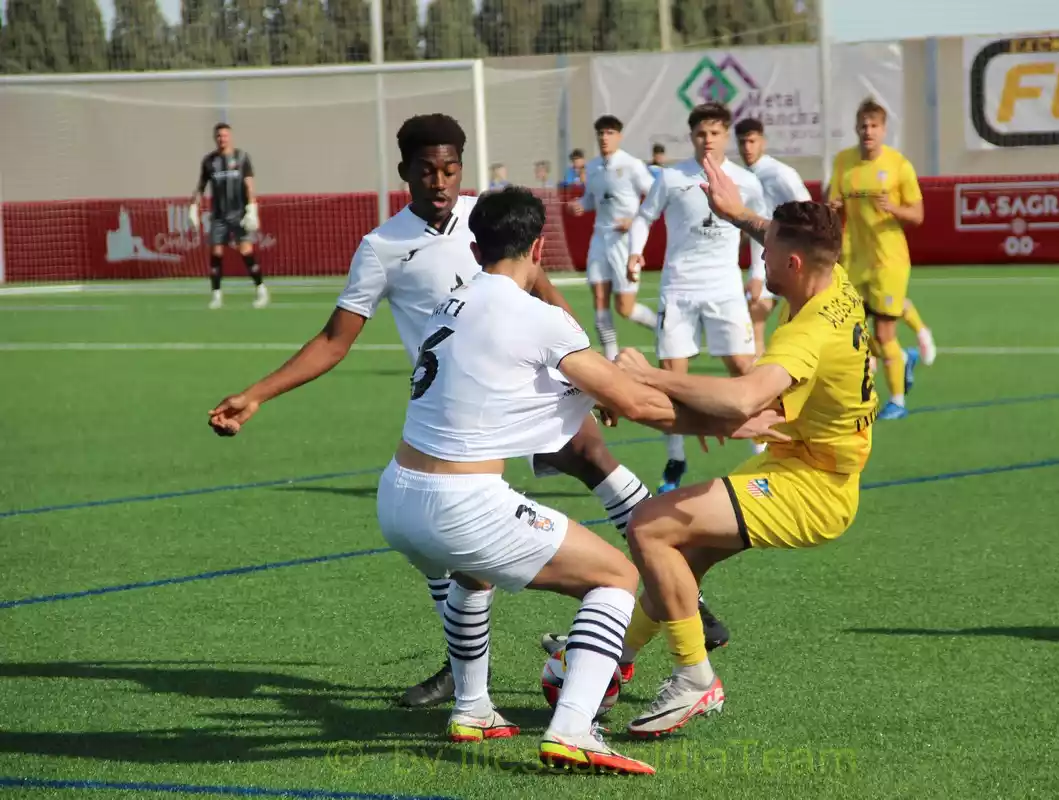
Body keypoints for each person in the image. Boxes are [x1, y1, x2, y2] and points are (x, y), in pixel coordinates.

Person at [205, 113, 729, 706]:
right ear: (404, 171)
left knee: (589, 453)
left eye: (451, 168)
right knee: (452, 558)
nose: (441, 181)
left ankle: (684, 592)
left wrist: (591, 373)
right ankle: (465, 679)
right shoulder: (382, 248)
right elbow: (333, 342)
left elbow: (543, 292)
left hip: (527, 386)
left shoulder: (486, 219)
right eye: (427, 170)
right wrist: (256, 394)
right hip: (459, 415)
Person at [379, 187, 782, 769]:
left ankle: (472, 709)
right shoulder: (539, 317)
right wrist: (737, 419)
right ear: (539, 247)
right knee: (616, 576)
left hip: (396, 496)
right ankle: (572, 729)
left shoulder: (449, 304)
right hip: (459, 502)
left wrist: (586, 392)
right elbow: (636, 403)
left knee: (472, 571)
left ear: (473, 247)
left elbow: (506, 379)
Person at [612, 163, 878, 737]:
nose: (759, 257)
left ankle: (694, 678)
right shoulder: (837, 280)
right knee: (684, 554)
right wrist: (741, 216)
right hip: (800, 460)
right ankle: (612, 660)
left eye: (768, 252)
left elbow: (741, 400)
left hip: (812, 488)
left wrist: (652, 377)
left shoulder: (806, 332)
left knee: (649, 527)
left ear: (795, 265)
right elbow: (784, 239)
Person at [626, 102, 767, 493]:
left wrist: (758, 274)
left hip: (725, 290)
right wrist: (636, 252)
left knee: (743, 366)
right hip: (679, 289)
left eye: (716, 133)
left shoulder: (746, 182)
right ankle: (676, 457)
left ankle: (763, 450)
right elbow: (643, 218)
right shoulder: (671, 178)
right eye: (701, 134)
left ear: (726, 135)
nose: (708, 140)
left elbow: (759, 229)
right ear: (692, 137)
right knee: (672, 377)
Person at [827, 99, 931, 420]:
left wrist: (895, 208)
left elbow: (918, 215)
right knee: (848, 331)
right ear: (856, 128)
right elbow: (834, 201)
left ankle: (897, 401)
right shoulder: (843, 161)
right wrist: (832, 206)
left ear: (884, 130)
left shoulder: (899, 165)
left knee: (884, 334)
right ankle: (902, 357)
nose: (867, 131)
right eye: (863, 125)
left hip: (889, 261)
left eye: (874, 126)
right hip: (853, 260)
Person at [568, 115, 659, 360]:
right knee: (598, 296)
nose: (604, 138)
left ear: (619, 136)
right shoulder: (594, 166)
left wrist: (633, 221)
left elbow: (655, 196)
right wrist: (581, 205)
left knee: (624, 308)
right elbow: (591, 198)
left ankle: (662, 328)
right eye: (601, 133)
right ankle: (610, 358)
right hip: (600, 238)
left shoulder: (632, 165)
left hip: (625, 241)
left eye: (609, 133)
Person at [734, 117, 812, 363]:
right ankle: (760, 378)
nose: (747, 147)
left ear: (763, 143)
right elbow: (758, 224)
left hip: (796, 259)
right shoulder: (744, 176)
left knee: (809, 320)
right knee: (755, 313)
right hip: (770, 259)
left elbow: (809, 210)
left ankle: (871, 360)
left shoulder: (780, 174)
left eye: (752, 141)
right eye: (743, 142)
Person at [190, 123, 268, 310]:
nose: (221, 139)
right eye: (218, 136)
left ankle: (261, 289)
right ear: (215, 138)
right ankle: (216, 295)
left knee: (245, 250)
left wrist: (252, 208)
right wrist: (193, 206)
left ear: (230, 137)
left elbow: (249, 184)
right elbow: (200, 187)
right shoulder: (209, 161)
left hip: (239, 214)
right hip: (218, 216)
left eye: (224, 136)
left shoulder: (241, 158)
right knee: (216, 253)